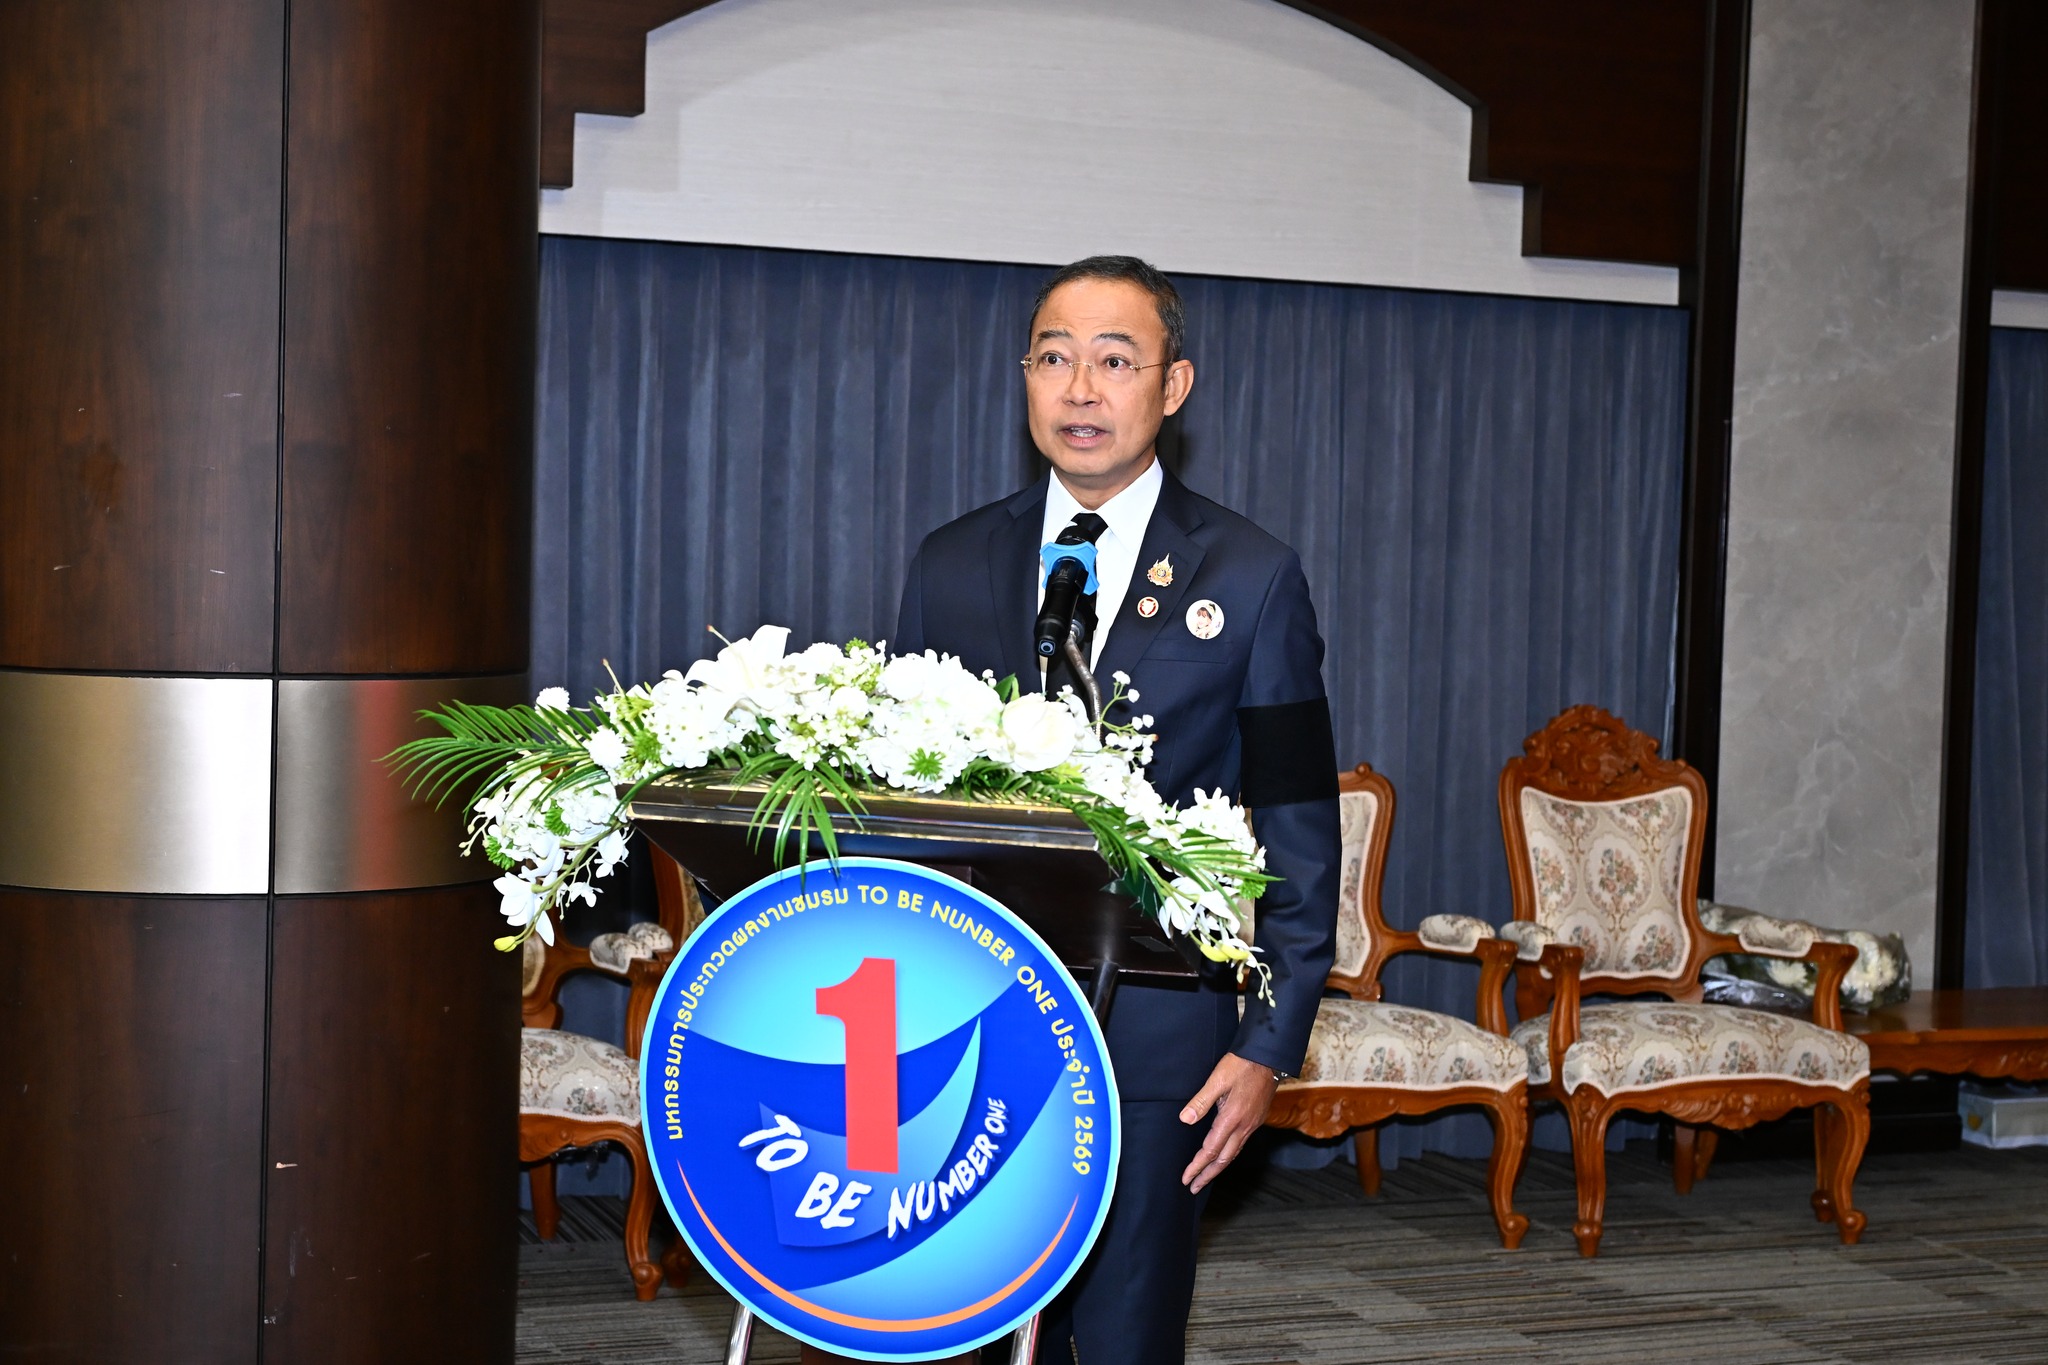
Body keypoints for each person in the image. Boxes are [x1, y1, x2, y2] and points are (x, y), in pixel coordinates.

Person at [894, 256, 1340, 1364]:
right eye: (1053, 358)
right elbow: (902, 809)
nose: (1080, 388)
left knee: (1125, 1332)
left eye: (1113, 360)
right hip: (970, 1020)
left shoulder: (1251, 575)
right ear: (1024, 380)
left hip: (1157, 1031)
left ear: (1172, 386)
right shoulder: (951, 562)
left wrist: (1267, 1044)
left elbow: (1297, 828)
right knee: (956, 1322)